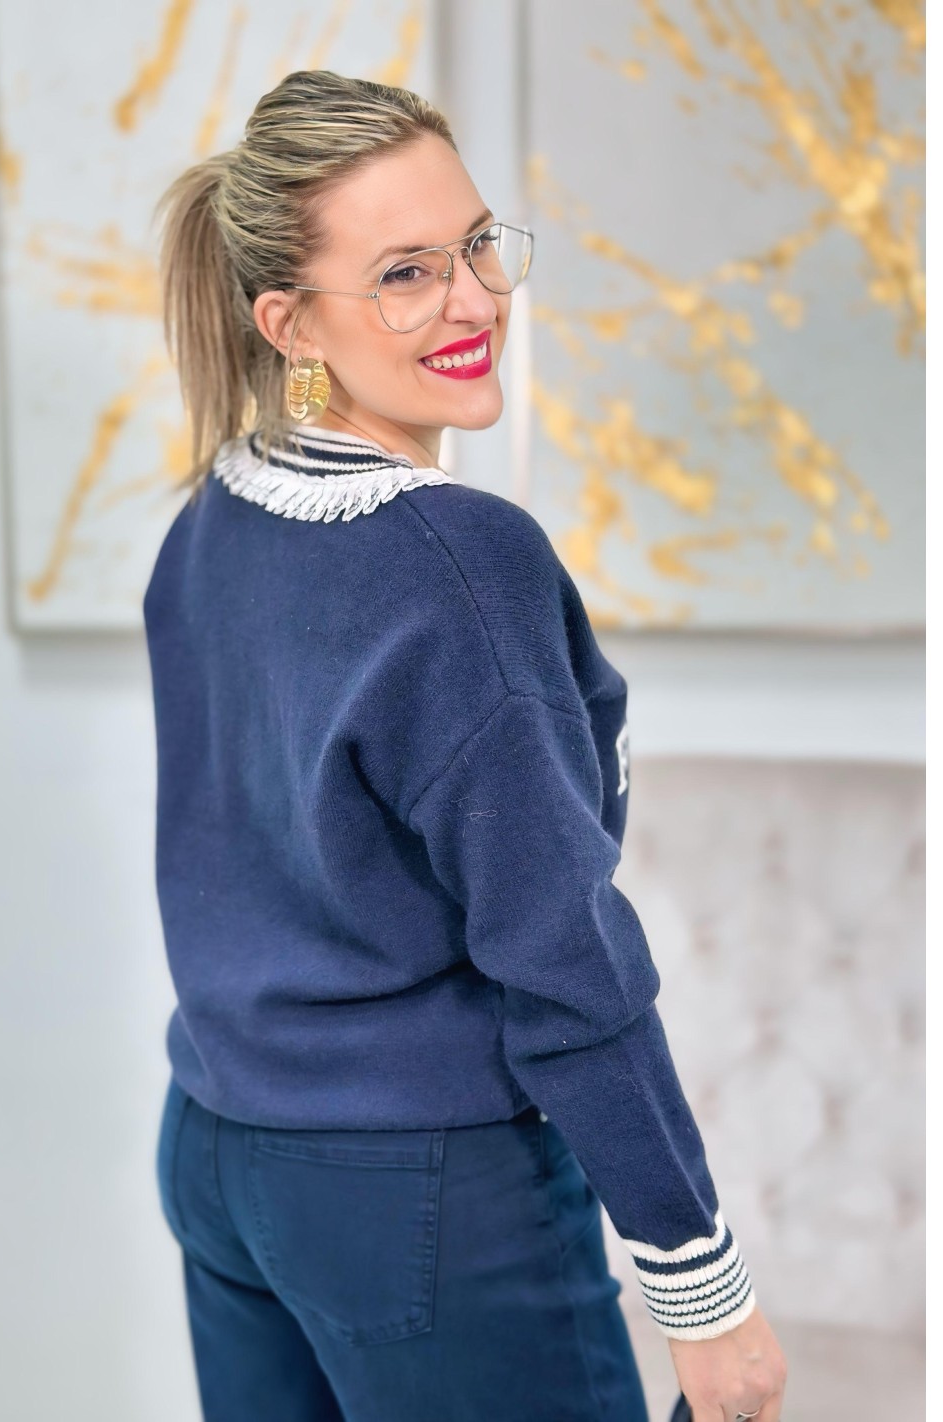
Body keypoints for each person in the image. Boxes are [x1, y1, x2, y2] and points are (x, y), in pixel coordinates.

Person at [144, 68, 787, 1422]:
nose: (477, 300)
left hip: (218, 1156)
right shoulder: (458, 559)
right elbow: (566, 956)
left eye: (479, 244)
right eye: (406, 274)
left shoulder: (210, 523)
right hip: (421, 1193)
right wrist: (702, 1288)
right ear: (287, 321)